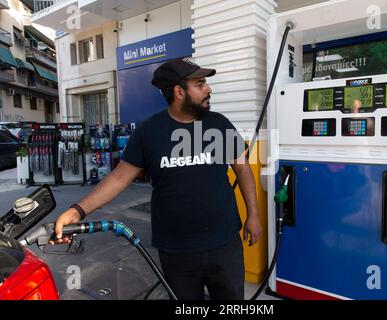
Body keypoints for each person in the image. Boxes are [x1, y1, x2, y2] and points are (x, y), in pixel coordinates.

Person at [51, 58, 262, 300]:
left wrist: (253, 215)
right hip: (176, 250)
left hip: (224, 244)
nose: (208, 89)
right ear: (179, 91)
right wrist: (77, 211)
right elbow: (119, 179)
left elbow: (242, 168)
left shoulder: (218, 124)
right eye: (200, 83)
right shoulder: (149, 132)